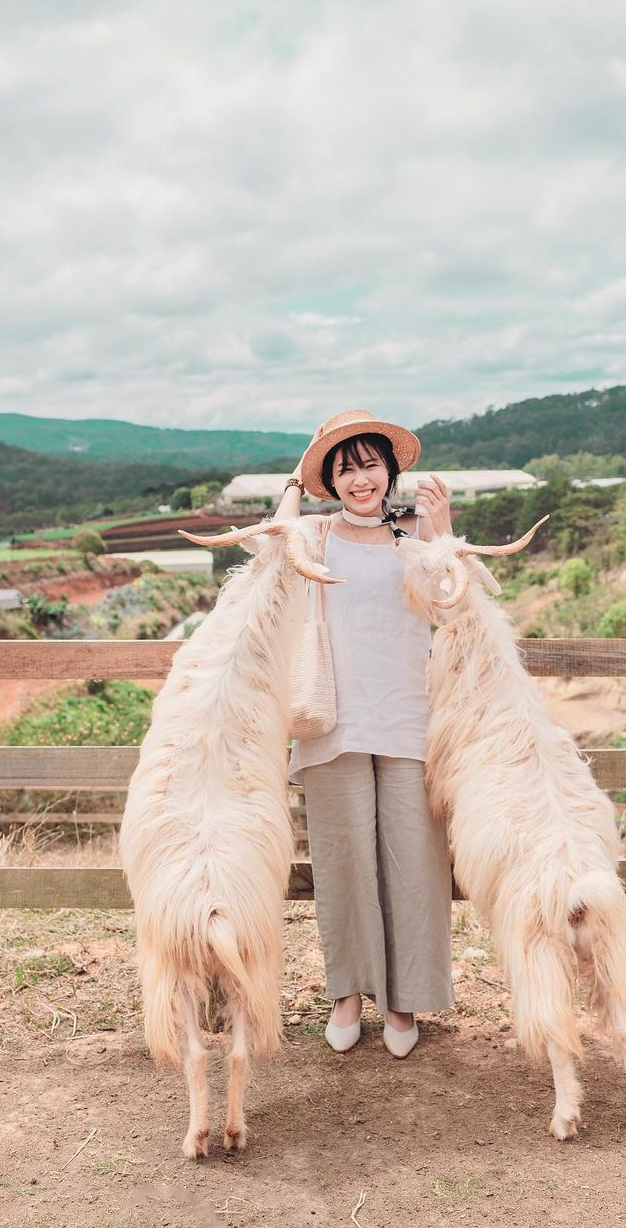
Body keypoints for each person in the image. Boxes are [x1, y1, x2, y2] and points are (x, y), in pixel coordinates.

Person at [273, 409, 454, 1058]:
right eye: (344, 470)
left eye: (370, 465)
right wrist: (297, 476)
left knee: (414, 864)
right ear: (328, 480)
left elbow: (447, 601)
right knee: (345, 862)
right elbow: (273, 542)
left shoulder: (412, 532)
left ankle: (404, 1001)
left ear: (391, 470)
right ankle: (347, 995)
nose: (360, 480)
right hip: (332, 720)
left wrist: (443, 532)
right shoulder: (315, 535)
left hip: (409, 717)